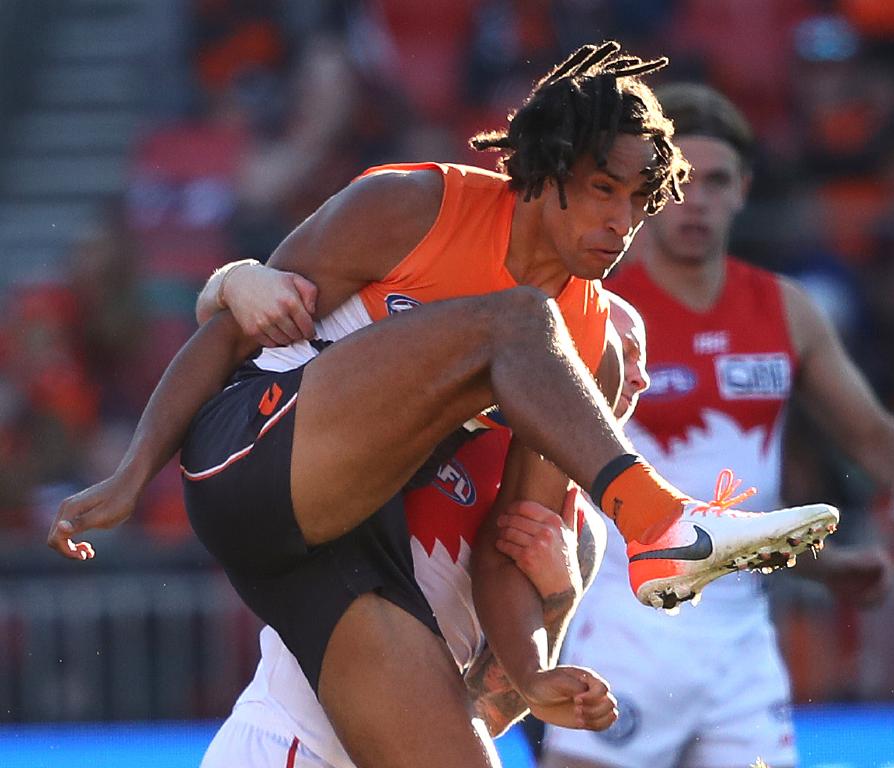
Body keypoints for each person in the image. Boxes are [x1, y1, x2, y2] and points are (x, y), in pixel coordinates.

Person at [48, 44, 837, 768]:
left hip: (345, 552)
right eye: (602, 192)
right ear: (548, 166)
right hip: (253, 458)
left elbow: (507, 548)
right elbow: (232, 327)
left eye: (639, 202)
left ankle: (659, 531)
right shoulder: (415, 206)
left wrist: (533, 673)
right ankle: (663, 526)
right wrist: (131, 473)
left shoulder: (578, 355)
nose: (621, 226)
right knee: (520, 319)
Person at [541, 83, 894, 768]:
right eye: (679, 182)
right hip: (622, 621)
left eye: (717, 182)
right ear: (648, 190)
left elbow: (872, 435)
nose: (696, 200)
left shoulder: (785, 310)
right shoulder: (596, 310)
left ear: (744, 190)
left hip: (741, 642)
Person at [199, 290, 651, 768]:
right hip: (295, 741)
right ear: (561, 347)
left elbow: (490, 712)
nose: (639, 377)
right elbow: (246, 323)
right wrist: (237, 280)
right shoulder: (439, 417)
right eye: (622, 352)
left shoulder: (581, 530)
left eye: (645, 360)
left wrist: (558, 595)